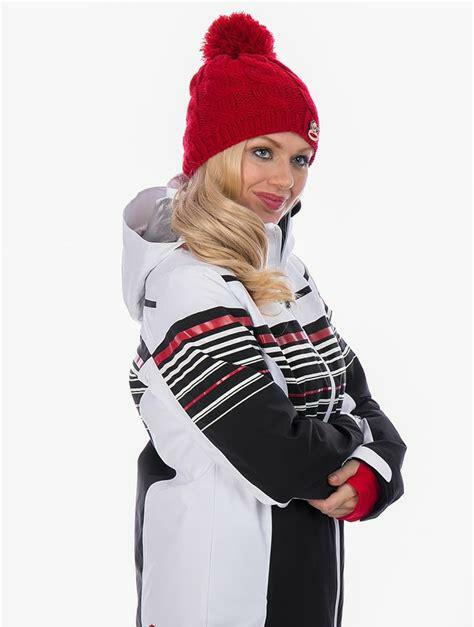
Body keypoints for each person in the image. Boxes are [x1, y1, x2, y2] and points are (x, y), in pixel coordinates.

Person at [121, 11, 407, 627]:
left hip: (303, 572)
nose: (286, 179)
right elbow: (279, 452)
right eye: (262, 152)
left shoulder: (288, 274)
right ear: (217, 153)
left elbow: (356, 394)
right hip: (218, 588)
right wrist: (357, 443)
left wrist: (374, 468)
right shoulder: (184, 282)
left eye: (301, 159)